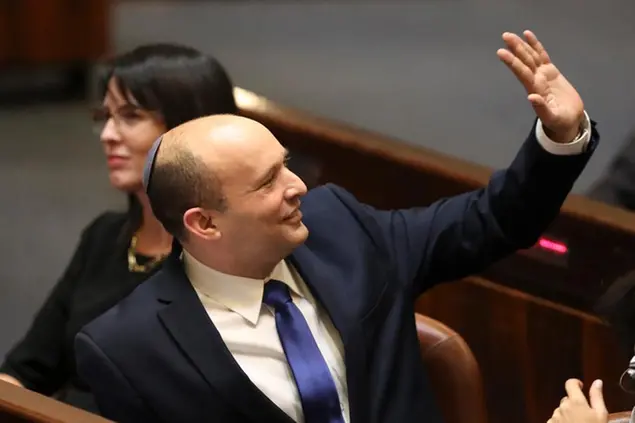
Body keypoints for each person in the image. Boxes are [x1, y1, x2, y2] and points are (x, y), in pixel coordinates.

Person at [75, 30, 599, 423]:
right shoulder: (129, 347)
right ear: (204, 223)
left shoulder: (341, 229)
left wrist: (559, 136)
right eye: (267, 183)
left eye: (285, 164)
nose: (298, 186)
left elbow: (492, 221)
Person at [0, 43, 237, 412]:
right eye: (107, 116)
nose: (107, 134)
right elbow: (26, 369)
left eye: (130, 116)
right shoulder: (104, 236)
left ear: (187, 126)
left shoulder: (224, 261)